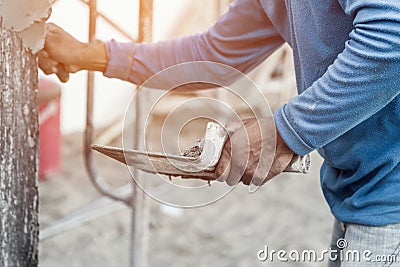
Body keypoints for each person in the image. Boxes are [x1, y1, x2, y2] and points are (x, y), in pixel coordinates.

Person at [39, 0, 400, 266]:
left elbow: (391, 37)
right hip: (359, 187)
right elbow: (215, 54)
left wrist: (285, 131)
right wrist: (91, 55)